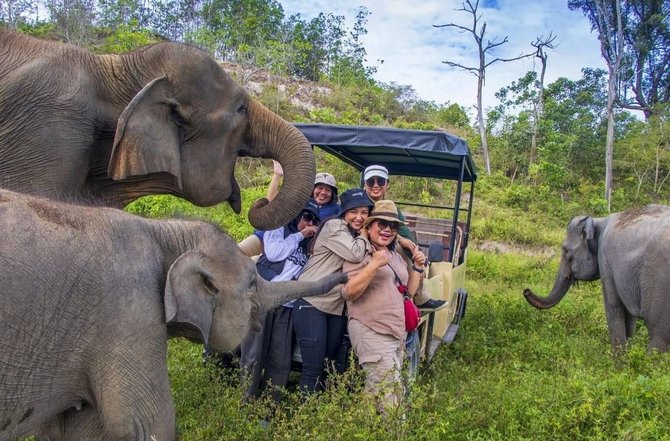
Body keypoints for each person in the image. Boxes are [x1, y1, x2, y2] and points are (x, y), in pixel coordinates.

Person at [341, 200, 427, 414]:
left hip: (395, 334)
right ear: (369, 226)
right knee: (392, 397)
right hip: (372, 330)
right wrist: (373, 265)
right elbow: (349, 292)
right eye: (381, 224)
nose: (387, 229)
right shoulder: (360, 254)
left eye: (393, 226)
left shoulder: (395, 256)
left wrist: (417, 267)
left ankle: (360, 429)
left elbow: (407, 292)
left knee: (374, 395)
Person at [238, 199, 321, 402]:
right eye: (306, 217)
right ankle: (246, 403)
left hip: (288, 306)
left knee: (280, 361)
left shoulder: (309, 247)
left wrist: (309, 240)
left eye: (313, 220)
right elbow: (274, 254)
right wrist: (300, 234)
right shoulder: (278, 229)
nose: (309, 223)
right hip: (264, 299)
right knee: (253, 356)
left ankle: (270, 407)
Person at [292, 188, 374, 393]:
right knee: (313, 368)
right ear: (344, 212)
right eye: (354, 211)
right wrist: (364, 234)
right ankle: (303, 419)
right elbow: (354, 254)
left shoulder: (354, 234)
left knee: (328, 367)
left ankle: (319, 415)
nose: (359, 217)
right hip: (312, 301)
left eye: (364, 212)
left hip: (336, 307)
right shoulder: (334, 226)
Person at [362, 164, 445, 310]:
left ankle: (415, 296)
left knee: (407, 250)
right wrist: (400, 239)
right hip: (364, 244)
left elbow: (407, 236)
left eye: (380, 181)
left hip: (385, 247)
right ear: (365, 184)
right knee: (399, 247)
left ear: (386, 184)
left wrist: (416, 255)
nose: (375, 185)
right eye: (370, 182)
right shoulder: (360, 204)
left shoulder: (392, 208)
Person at [238, 161, 339, 257]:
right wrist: (277, 175)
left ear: (332, 194)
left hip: (290, 251)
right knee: (234, 254)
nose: (323, 192)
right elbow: (272, 203)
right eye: (320, 187)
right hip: (266, 237)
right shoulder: (299, 200)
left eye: (328, 190)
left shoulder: (335, 210)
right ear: (313, 189)